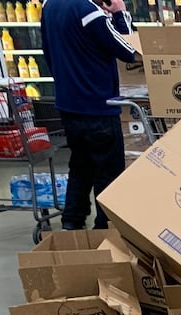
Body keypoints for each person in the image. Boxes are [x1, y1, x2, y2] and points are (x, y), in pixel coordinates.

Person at [41, 0, 140, 230]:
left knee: (80, 166)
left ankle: (71, 223)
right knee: (108, 172)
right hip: (98, 105)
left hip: (68, 105)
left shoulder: (50, 7)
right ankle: (106, 228)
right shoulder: (88, 11)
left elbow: (48, 53)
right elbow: (127, 50)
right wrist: (120, 13)